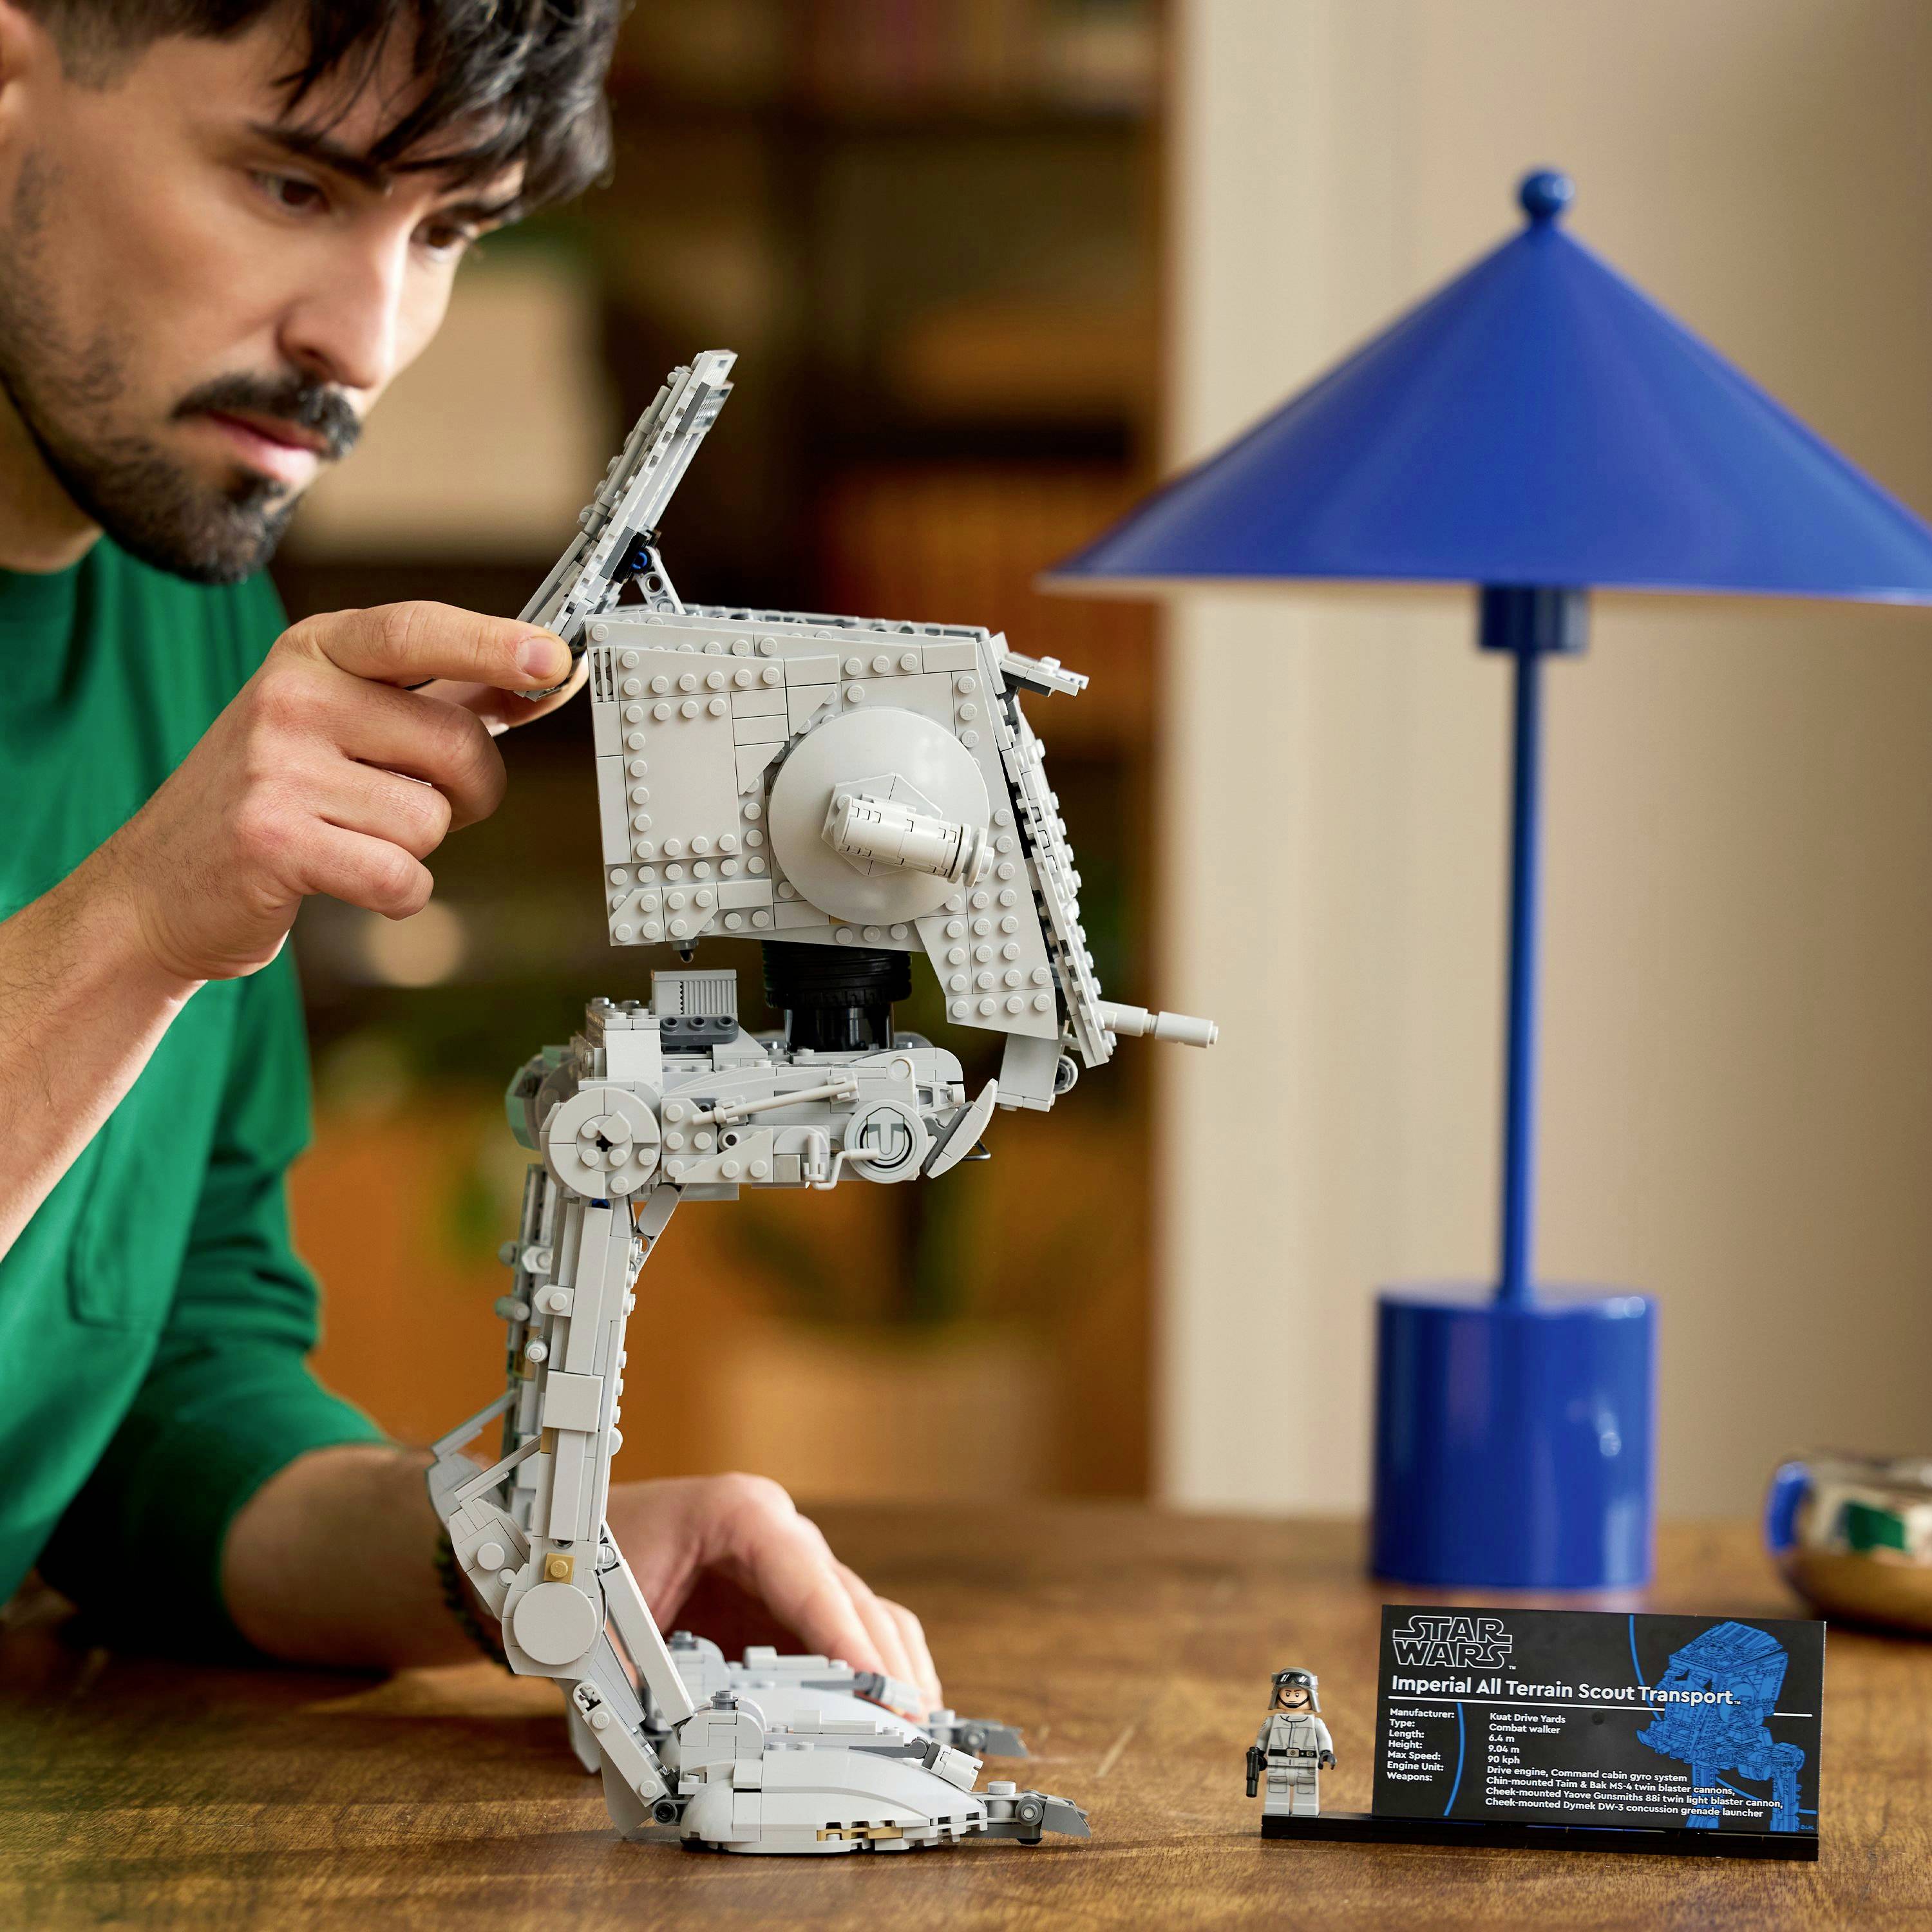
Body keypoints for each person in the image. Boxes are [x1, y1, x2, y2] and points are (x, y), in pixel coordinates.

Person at [0, 0, 939, 1710]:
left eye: (448, 230)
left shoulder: (188, 612)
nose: (364, 337)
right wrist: (136, 925)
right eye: (291, 185)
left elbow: (160, 1396)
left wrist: (522, 1554)